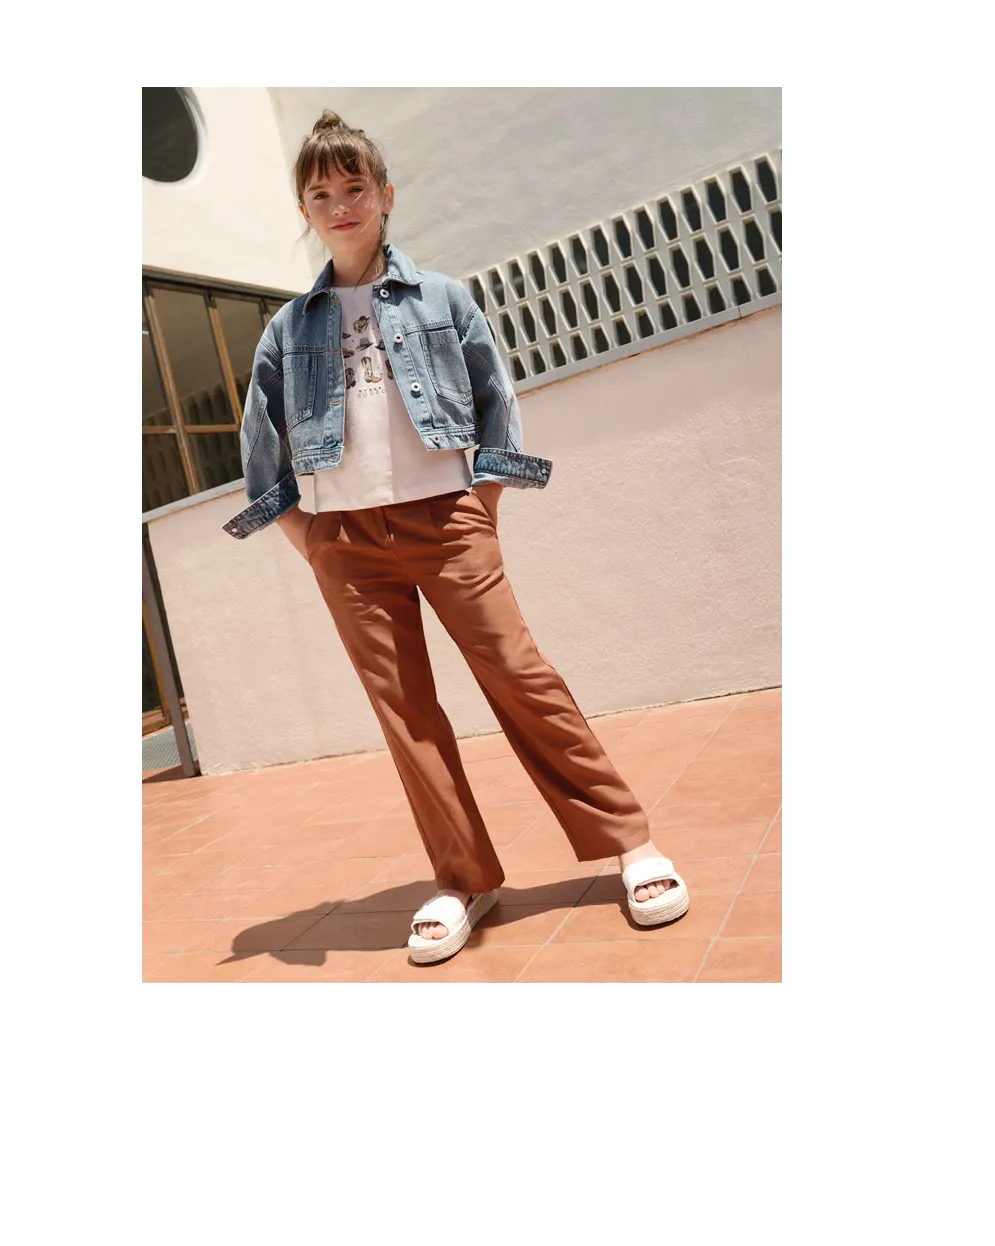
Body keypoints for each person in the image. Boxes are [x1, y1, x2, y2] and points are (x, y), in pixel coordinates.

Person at [223, 110, 690, 964]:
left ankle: (630, 841)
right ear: (305, 211)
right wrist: (306, 536)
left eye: (354, 187)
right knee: (406, 714)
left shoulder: (441, 297)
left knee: (521, 675)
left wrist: (484, 502)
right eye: (320, 195)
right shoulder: (288, 329)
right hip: (345, 544)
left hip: (447, 520)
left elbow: (495, 397)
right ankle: (463, 877)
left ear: (385, 195)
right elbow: (260, 441)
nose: (340, 205)